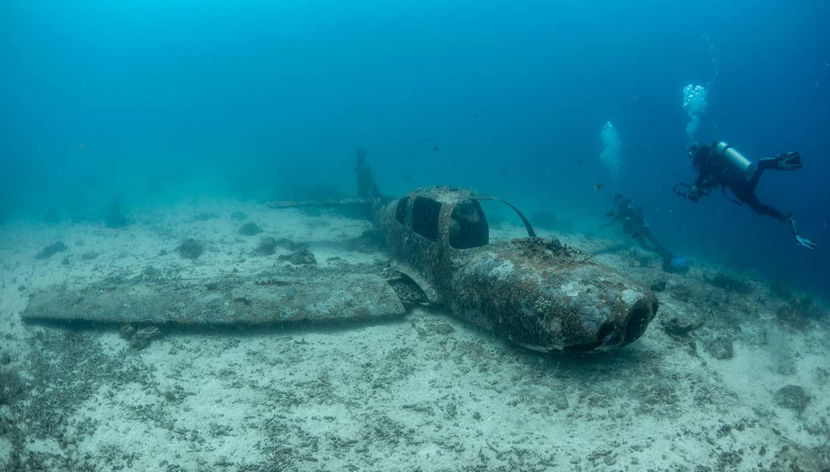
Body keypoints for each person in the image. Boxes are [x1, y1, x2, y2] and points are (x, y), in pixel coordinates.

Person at [674, 141, 816, 250]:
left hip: (734, 181)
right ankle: (784, 217)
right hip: (736, 177)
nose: (692, 159)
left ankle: (763, 166)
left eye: (691, 154)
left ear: (694, 153)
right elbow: (713, 179)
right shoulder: (712, 155)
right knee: (757, 207)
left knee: (755, 205)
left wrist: (696, 187)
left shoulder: (704, 159)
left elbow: (703, 177)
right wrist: (700, 187)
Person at [604, 194, 688, 273]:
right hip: (636, 231)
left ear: (622, 199)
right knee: (644, 246)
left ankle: (669, 255)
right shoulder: (620, 209)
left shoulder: (630, 205)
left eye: (620, 200)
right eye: (617, 201)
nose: (619, 202)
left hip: (643, 227)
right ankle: (661, 253)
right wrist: (607, 225)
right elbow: (616, 219)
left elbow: (637, 214)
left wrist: (627, 218)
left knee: (656, 241)